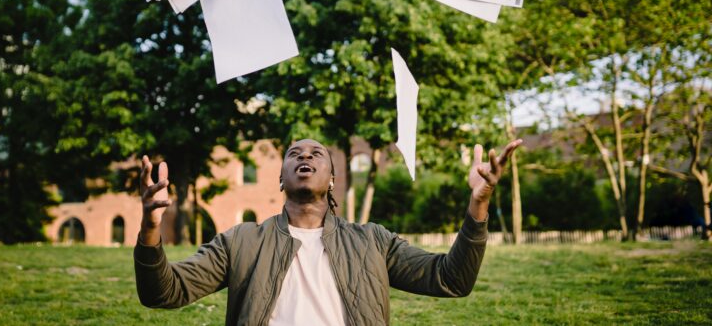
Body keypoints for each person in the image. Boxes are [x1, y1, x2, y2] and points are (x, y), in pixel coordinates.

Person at [134, 138, 522, 325]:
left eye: (317, 153)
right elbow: (162, 292)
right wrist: (151, 226)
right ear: (281, 180)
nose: (305, 155)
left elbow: (451, 280)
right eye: (294, 153)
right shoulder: (241, 241)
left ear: (333, 180)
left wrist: (479, 205)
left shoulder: (373, 241)